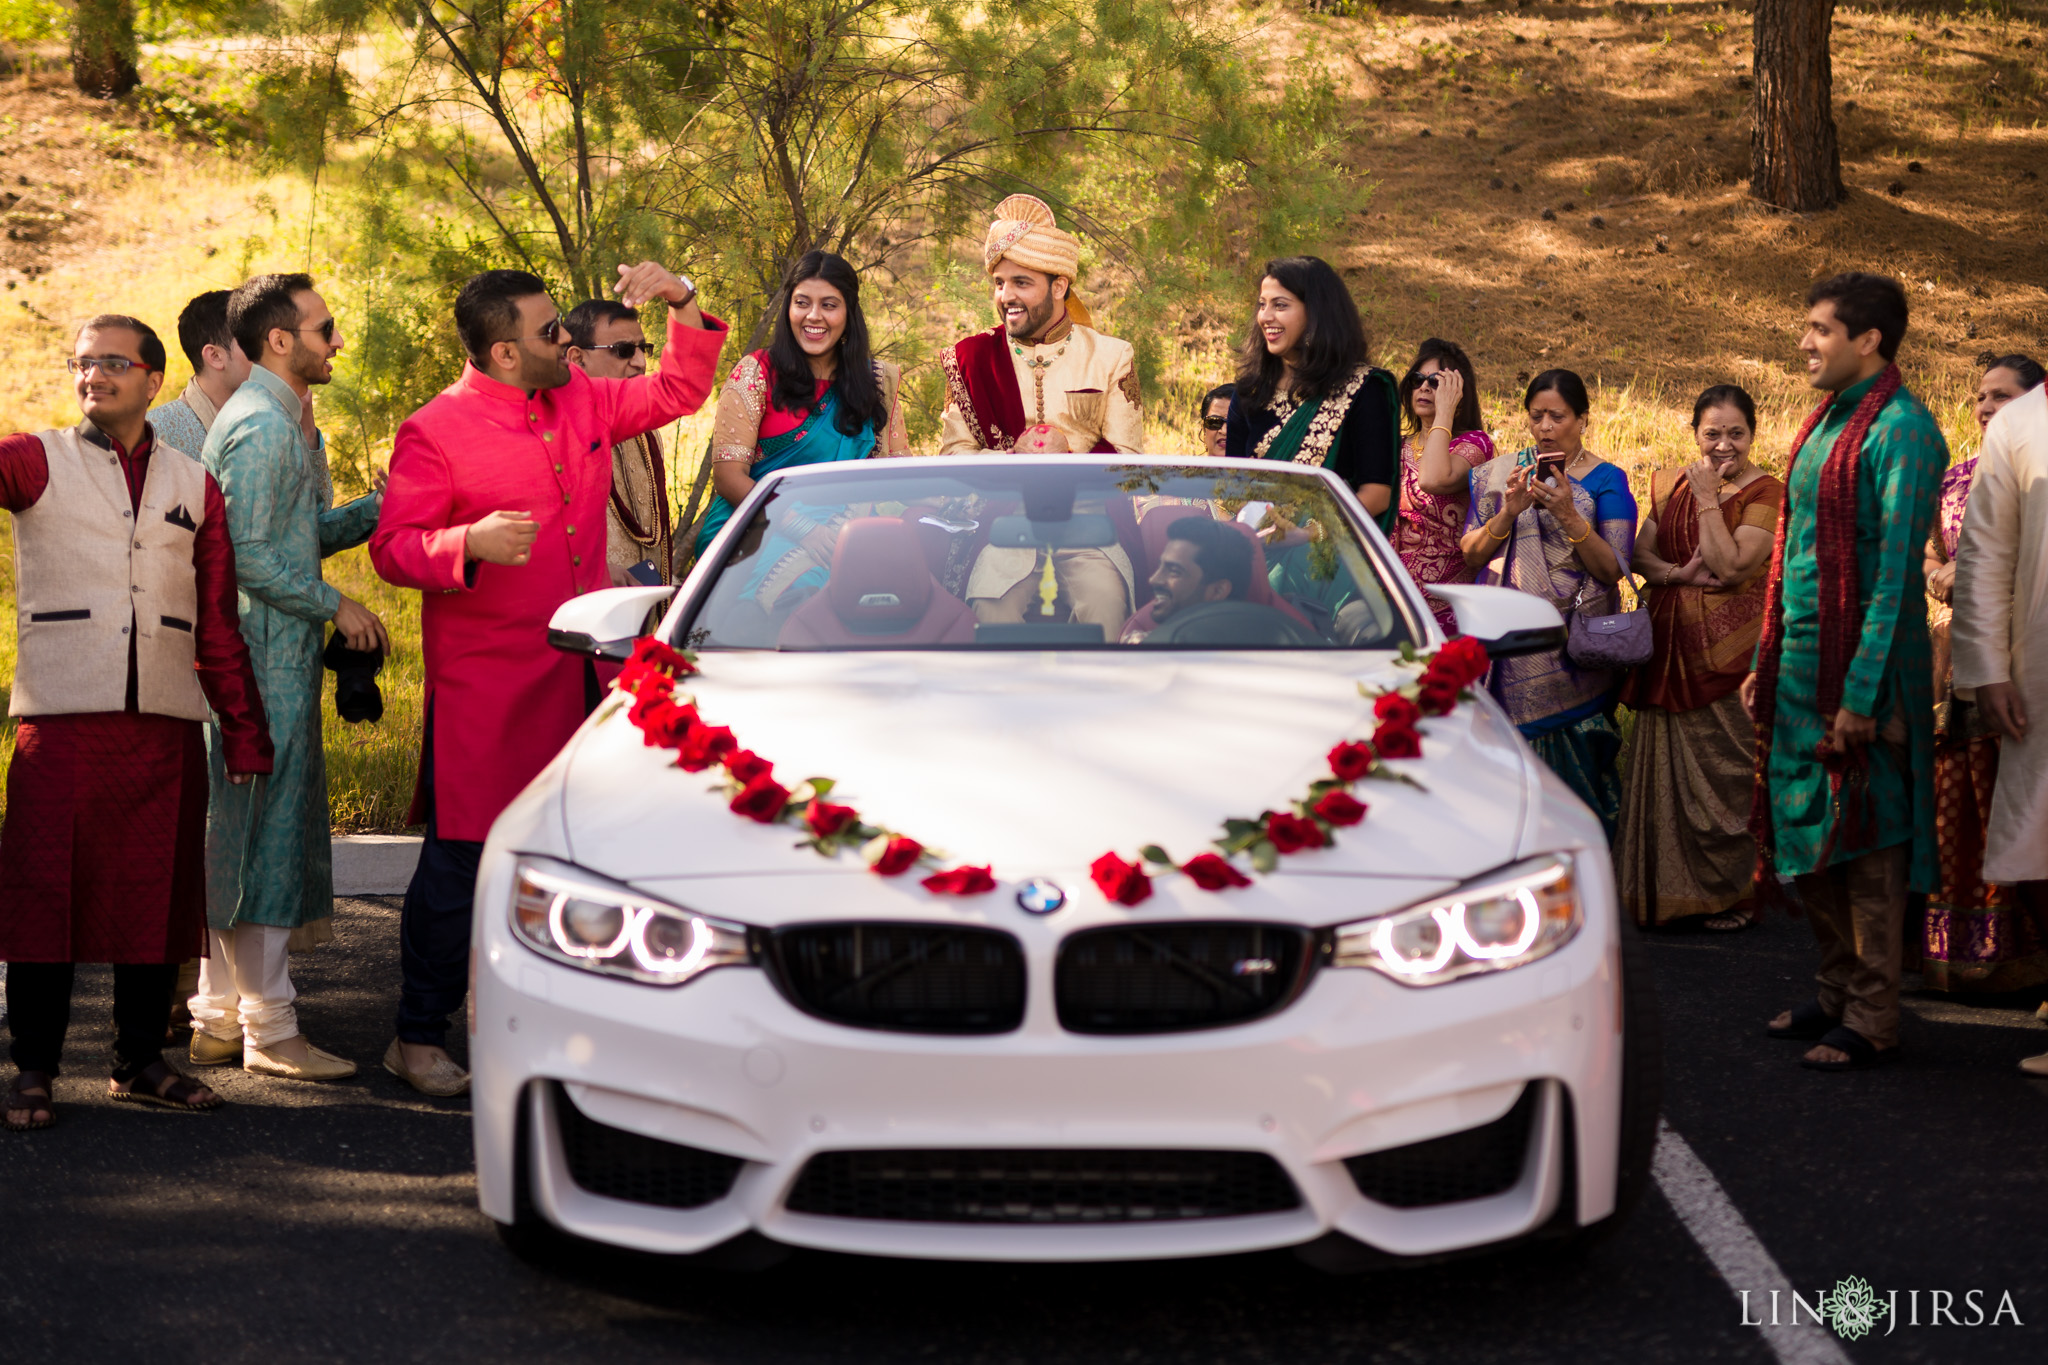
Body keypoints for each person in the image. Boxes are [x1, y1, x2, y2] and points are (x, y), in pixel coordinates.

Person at [370, 264, 726, 1096]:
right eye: (548, 331)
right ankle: (416, 1035)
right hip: (487, 690)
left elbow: (680, 386)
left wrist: (679, 296)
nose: (566, 338)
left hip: (586, 679)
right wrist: (465, 545)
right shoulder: (434, 430)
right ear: (502, 352)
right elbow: (394, 550)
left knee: (587, 857)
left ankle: (582, 1024)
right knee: (460, 865)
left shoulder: (586, 398)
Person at [1, 316, 273, 1131]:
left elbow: (218, 623)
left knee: (157, 896)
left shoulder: (196, 481)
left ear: (154, 378)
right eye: (85, 364)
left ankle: (140, 1060)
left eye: (114, 363)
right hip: (61, 724)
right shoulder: (34, 458)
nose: (95, 376)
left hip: (162, 728)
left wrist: (243, 729)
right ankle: (34, 1067)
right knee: (43, 897)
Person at [188, 272, 387, 1083]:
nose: (336, 341)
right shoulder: (265, 427)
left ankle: (215, 1017)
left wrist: (384, 503)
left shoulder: (278, 418)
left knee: (238, 830)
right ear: (280, 339)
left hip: (266, 653)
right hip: (261, 658)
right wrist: (336, 605)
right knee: (264, 836)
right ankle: (270, 1030)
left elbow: (292, 536)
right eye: (324, 328)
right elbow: (252, 555)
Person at [1750, 272, 1946, 1073]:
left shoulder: (1901, 430)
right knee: (1808, 836)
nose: (1805, 342)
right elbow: (1794, 554)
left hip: (1865, 677)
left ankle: (1872, 1014)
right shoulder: (1826, 420)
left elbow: (1897, 576)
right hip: (1801, 667)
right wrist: (1769, 658)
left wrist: (1861, 697)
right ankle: (1835, 991)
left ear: (1869, 341)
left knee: (1866, 840)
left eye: (1820, 329)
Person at [1616, 385, 1784, 931]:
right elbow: (1641, 553)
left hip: (1731, 661)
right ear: (1695, 434)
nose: (1723, 444)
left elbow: (1733, 565)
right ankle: (1666, 893)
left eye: (1736, 432)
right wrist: (1675, 575)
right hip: (1669, 651)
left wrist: (1710, 498)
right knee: (1666, 777)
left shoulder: (1766, 493)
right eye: (1712, 433)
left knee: (1728, 776)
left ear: (1753, 435)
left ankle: (1731, 893)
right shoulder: (1670, 484)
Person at [940, 195, 1143, 632]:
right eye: (998, 282)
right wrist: (1014, 460)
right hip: (1006, 519)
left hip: (1091, 522)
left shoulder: (1111, 355)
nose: (1005, 297)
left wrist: (1068, 459)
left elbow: (1128, 457)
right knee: (991, 613)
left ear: (1059, 287)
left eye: (1020, 283)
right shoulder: (972, 357)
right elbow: (954, 454)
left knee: (1107, 609)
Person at [1917, 355, 2048, 999]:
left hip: (2023, 659)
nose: (1987, 407)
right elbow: (1928, 550)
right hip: (1956, 661)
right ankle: (1958, 961)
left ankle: (2024, 962)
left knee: (2016, 811)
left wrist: (1962, 578)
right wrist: (1937, 573)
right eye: (1980, 397)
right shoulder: (1956, 478)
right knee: (1958, 803)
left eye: (2003, 396)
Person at [1460, 370, 1635, 836]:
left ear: (1581, 419)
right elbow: (1472, 553)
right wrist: (1508, 512)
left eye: (1557, 416)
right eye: (1536, 416)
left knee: (1576, 773)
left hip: (1573, 650)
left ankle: (1583, 860)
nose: (1545, 427)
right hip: (1506, 648)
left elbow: (1612, 569)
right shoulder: (1501, 474)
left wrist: (1568, 515)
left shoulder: (1606, 480)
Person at [695, 250, 908, 592]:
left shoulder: (876, 382)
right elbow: (728, 478)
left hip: (843, 533)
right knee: (805, 589)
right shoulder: (757, 372)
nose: (813, 316)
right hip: (753, 531)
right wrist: (804, 529)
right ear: (788, 308)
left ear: (848, 313)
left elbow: (896, 476)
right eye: (802, 302)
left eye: (828, 305)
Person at [1951, 365, 2048, 1076]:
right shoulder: (2020, 424)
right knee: (2040, 849)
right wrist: (1985, 667)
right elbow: (1983, 554)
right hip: (2040, 675)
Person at [1224, 256, 1400, 535]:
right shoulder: (1251, 391)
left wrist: (1307, 535)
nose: (1265, 316)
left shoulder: (1363, 389)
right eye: (1262, 304)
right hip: (1254, 551)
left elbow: (1377, 494)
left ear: (1317, 313)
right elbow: (1231, 484)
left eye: (1280, 305)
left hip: (1324, 561)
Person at [564, 299, 676, 585]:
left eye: (643, 349)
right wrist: (596, 572)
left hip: (644, 607)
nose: (640, 362)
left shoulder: (648, 433)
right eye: (623, 351)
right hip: (582, 606)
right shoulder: (559, 433)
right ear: (577, 358)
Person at [1390, 339, 1494, 630]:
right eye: (1417, 380)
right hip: (1394, 596)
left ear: (1457, 394)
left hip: (1448, 602)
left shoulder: (1474, 444)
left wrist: (1445, 412)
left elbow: (1433, 479)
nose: (1423, 387)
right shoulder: (1396, 446)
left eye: (1436, 383)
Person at [151, 289, 250, 463]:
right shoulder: (156, 432)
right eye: (252, 342)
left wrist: (308, 432)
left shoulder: (277, 413)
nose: (267, 353)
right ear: (215, 356)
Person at [1120, 516, 1252, 643]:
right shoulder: (1140, 639)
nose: (1154, 580)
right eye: (1160, 566)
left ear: (1218, 590)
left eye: (1174, 571)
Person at [1197, 384, 1233, 458]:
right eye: (1214, 422)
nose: (1224, 431)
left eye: (1234, 423)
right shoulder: (1177, 469)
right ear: (1204, 429)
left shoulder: (1262, 468)